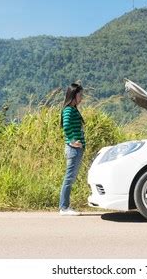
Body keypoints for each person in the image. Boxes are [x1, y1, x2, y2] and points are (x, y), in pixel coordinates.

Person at [59, 82, 86, 216]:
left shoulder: (73, 109)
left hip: (76, 149)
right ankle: (64, 207)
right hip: (73, 149)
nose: (81, 97)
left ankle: (65, 206)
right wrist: (72, 141)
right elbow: (66, 126)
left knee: (71, 178)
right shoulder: (68, 110)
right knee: (69, 178)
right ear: (74, 95)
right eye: (80, 95)